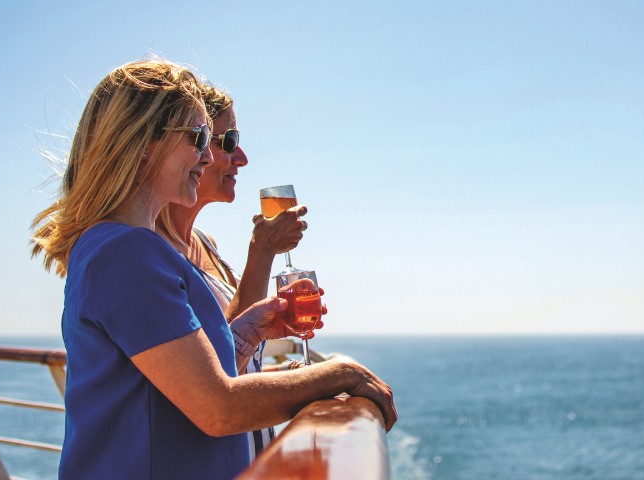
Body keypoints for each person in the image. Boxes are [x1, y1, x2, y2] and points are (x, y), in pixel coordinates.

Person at [30, 58, 396, 480]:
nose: (209, 155)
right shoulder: (126, 252)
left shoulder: (123, 247)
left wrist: (247, 332)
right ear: (144, 141)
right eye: (200, 136)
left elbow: (173, 381)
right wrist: (339, 374)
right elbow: (217, 408)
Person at [157, 84, 310, 460]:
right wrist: (263, 251)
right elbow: (208, 381)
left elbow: (231, 357)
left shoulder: (204, 244)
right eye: (226, 141)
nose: (240, 157)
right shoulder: (147, 256)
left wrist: (287, 377)